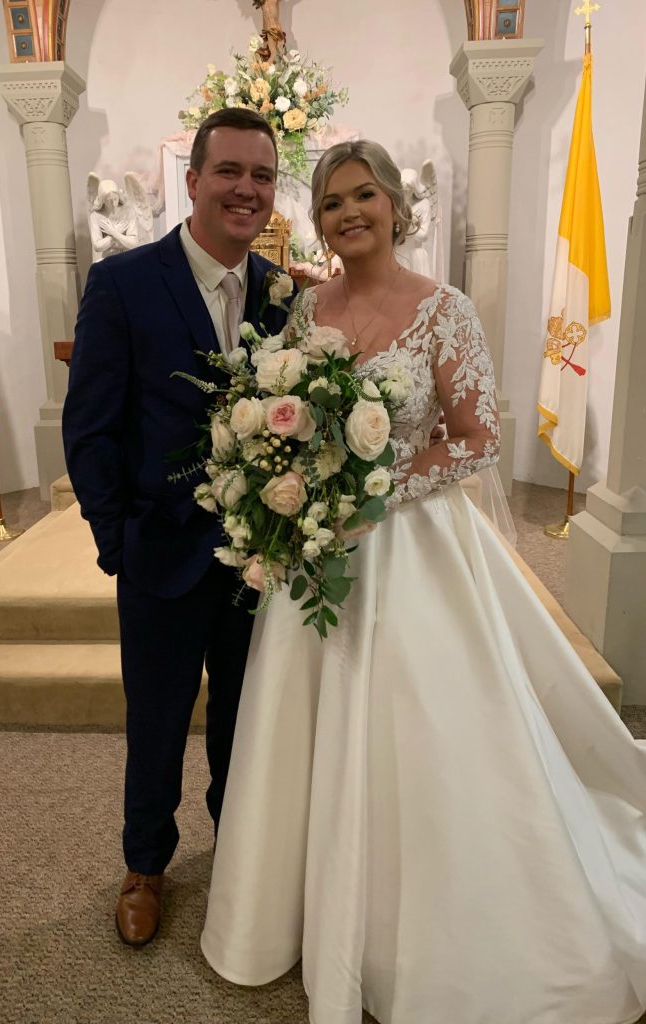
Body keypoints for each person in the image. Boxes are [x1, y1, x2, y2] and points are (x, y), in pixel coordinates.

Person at [201, 140, 646, 1024]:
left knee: (427, 724)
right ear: (320, 222)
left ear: (398, 208)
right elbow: (281, 426)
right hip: (317, 550)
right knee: (302, 722)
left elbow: (475, 438)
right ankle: (296, 907)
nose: (349, 213)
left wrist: (374, 493)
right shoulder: (299, 312)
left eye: (365, 195)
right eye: (332, 203)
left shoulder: (444, 311)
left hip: (413, 547)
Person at [62, 108, 291, 947]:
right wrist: (115, 538)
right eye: (229, 171)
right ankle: (145, 864)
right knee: (156, 721)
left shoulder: (281, 293)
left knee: (244, 719)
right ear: (191, 181)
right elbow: (89, 428)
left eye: (261, 176)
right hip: (158, 553)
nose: (246, 190)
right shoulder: (124, 284)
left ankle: (242, 856)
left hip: (256, 562)